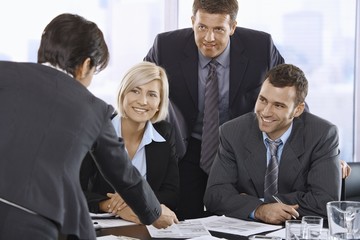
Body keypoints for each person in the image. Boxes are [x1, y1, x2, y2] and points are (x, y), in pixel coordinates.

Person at [0, 13, 178, 240]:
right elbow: (123, 174)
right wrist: (154, 212)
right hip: (34, 223)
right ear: (85, 66)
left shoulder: (4, 74)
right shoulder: (93, 108)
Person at [144, 0, 284, 219]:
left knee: (240, 220)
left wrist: (321, 155)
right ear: (193, 22)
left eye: (219, 29)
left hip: (239, 148)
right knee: (182, 221)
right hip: (185, 148)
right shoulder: (166, 46)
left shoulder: (261, 47)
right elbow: (138, 92)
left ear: (233, 27)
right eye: (202, 27)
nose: (209, 38)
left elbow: (290, 95)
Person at [204, 63, 341, 224]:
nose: (266, 112)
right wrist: (260, 210)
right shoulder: (232, 132)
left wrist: (259, 202)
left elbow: (324, 201)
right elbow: (215, 195)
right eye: (263, 100)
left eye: (278, 105)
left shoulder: (322, 134)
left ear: (297, 109)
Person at [80, 61, 179, 224]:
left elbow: (172, 194)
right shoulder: (96, 130)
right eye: (136, 91)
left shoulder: (164, 133)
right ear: (123, 93)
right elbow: (74, 190)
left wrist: (135, 198)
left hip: (144, 228)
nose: (143, 101)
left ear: (159, 103)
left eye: (152, 94)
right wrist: (112, 205)